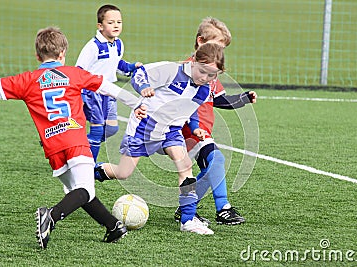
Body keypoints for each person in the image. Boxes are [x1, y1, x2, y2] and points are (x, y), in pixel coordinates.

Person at [0, 26, 146, 249]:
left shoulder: (27, 80)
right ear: (63, 54)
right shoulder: (73, 74)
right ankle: (51, 215)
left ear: (37, 55)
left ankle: (113, 226)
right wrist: (136, 102)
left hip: (53, 147)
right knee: (85, 190)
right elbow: (106, 86)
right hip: (76, 141)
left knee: (76, 191)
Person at [94, 42, 226, 235]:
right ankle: (87, 172)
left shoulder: (204, 89)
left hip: (170, 131)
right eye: (203, 72)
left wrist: (195, 128)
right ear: (194, 61)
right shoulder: (171, 70)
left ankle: (188, 220)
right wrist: (144, 87)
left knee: (185, 165)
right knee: (123, 173)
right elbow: (139, 75)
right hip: (143, 128)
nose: (205, 78)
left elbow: (191, 110)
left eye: (212, 75)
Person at [173, 17, 257, 226]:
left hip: (201, 132)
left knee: (211, 167)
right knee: (216, 161)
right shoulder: (186, 70)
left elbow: (218, 99)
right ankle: (223, 208)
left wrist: (243, 99)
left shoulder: (210, 71)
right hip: (189, 132)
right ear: (201, 41)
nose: (220, 53)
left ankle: (186, 206)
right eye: (217, 46)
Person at [76, 4, 142, 162]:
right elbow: (79, 70)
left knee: (111, 129)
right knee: (97, 131)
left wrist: (132, 67)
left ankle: (74, 146)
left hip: (110, 92)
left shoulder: (119, 44)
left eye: (119, 22)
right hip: (92, 92)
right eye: (111, 22)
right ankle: (88, 166)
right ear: (100, 26)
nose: (116, 25)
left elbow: (117, 64)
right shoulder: (93, 47)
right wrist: (81, 94)